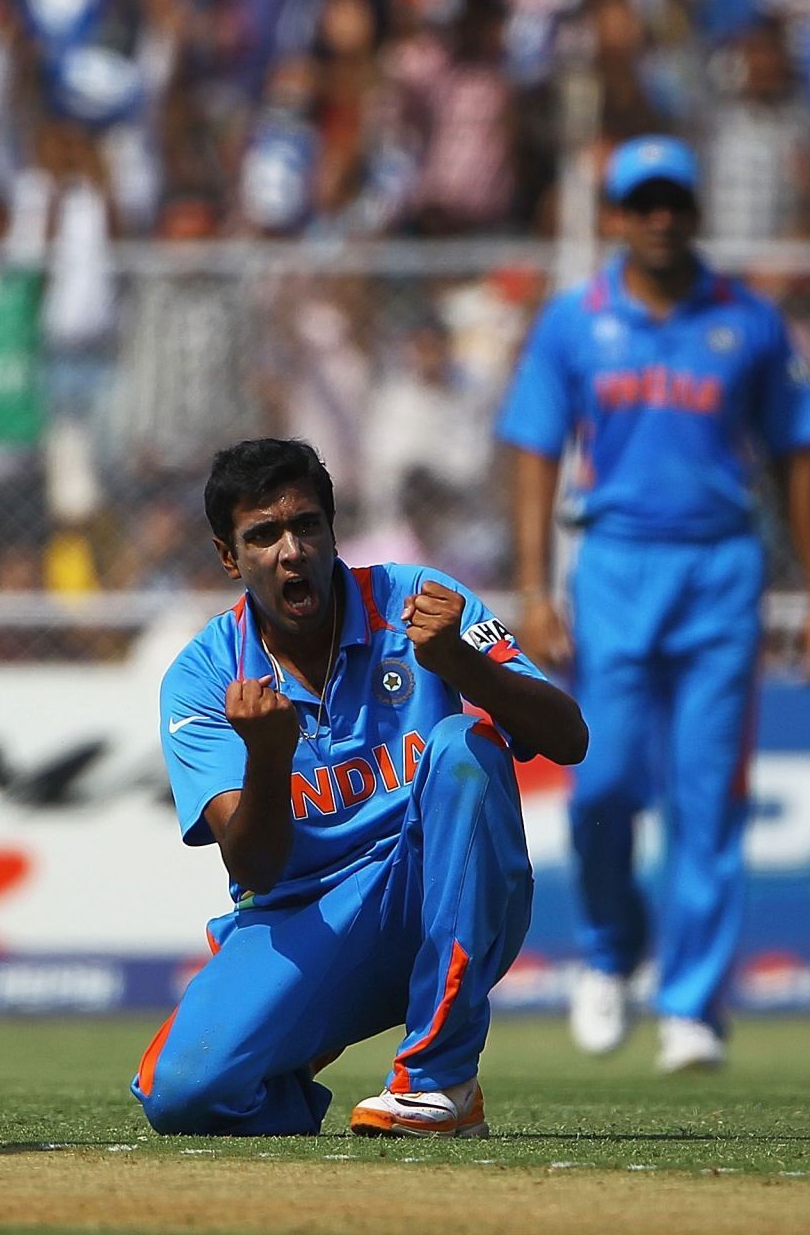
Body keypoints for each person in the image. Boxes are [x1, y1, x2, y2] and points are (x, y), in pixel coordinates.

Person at [498, 135, 810, 1074]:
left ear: (694, 211)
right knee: (602, 780)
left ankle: (692, 1003)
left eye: (672, 202)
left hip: (722, 569)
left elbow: (797, 460)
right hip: (611, 563)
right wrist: (534, 584)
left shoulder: (750, 322)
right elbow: (532, 448)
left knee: (709, 797)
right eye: (640, 202)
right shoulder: (576, 321)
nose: (657, 218)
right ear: (614, 214)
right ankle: (611, 952)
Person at [135, 439, 587, 1137]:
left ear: (331, 527)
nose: (292, 551)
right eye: (263, 536)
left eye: (306, 525)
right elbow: (252, 867)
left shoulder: (422, 603)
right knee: (184, 1097)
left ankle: (439, 1084)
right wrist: (267, 756)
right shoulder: (202, 679)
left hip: (439, 890)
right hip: (303, 919)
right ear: (229, 557)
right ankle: (297, 1059)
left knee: (464, 745)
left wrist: (468, 668)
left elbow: (568, 738)